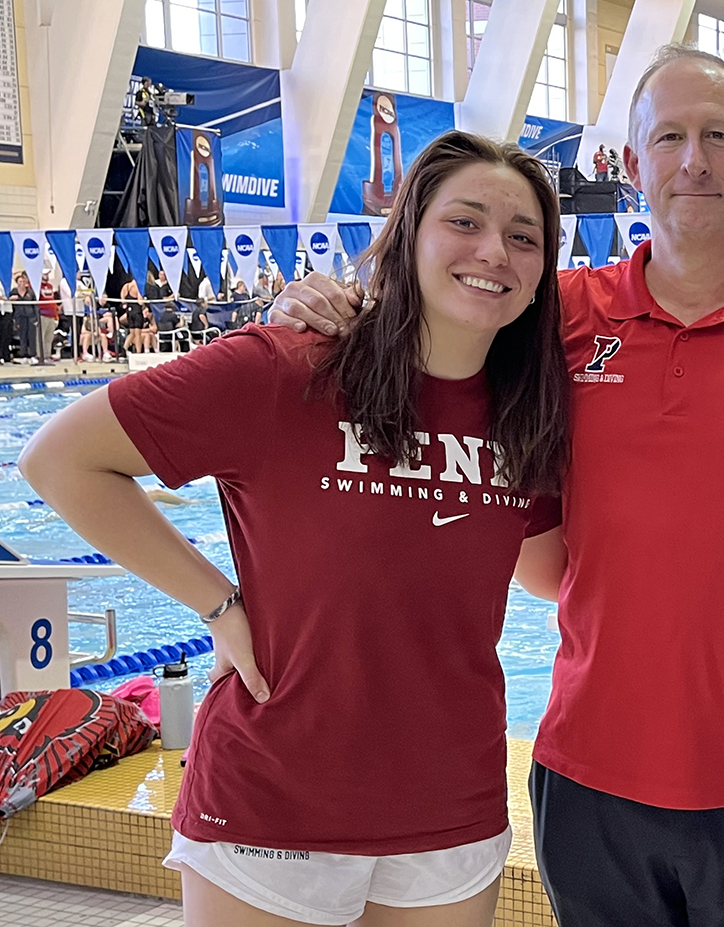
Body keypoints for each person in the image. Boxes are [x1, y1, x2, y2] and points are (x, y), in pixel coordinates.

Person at [273, 48, 724, 927]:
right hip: (592, 775)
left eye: (720, 138)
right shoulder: (556, 315)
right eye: (671, 137)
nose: (695, 161)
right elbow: (422, 353)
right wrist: (315, 312)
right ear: (631, 163)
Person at [20, 131, 569, 927]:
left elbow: (548, 574)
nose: (495, 251)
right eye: (466, 221)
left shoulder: (529, 415)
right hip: (275, 796)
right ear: (408, 231)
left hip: (450, 798)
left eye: (525, 237)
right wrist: (217, 605)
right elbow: (59, 460)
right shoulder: (288, 368)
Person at [11, 271, 41, 363]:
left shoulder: (30, 292)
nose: (22, 284)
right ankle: (23, 355)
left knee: (31, 337)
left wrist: (37, 318)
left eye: (23, 282)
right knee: (22, 337)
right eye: (20, 282)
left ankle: (32, 355)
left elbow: (35, 306)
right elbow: (11, 306)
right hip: (20, 317)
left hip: (31, 317)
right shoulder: (14, 292)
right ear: (17, 283)